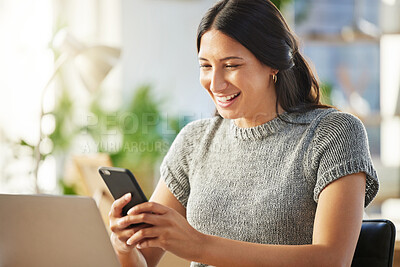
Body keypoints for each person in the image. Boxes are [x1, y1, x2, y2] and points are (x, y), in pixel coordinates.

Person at [109, 0, 379, 266]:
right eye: (205, 66)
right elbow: (143, 261)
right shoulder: (194, 142)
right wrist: (125, 246)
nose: (214, 83)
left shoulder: (334, 134)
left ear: (273, 63)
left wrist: (200, 246)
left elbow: (332, 260)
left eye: (231, 65)